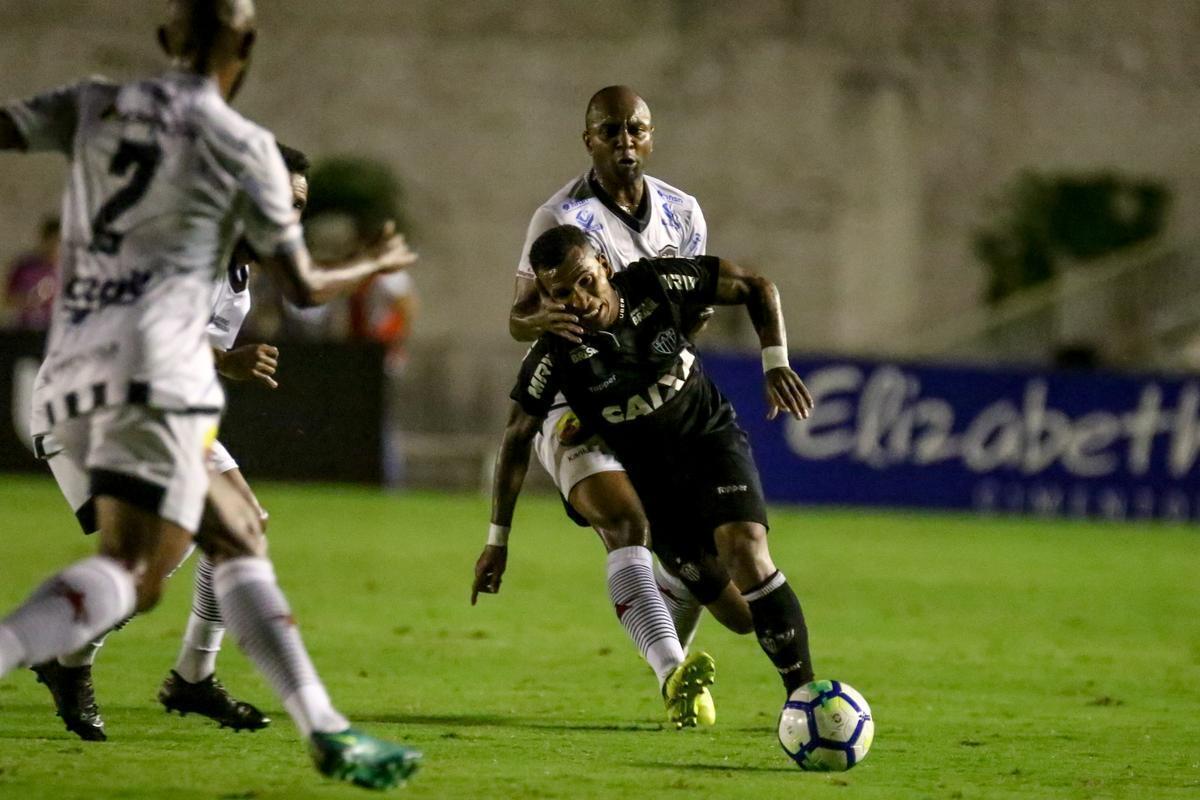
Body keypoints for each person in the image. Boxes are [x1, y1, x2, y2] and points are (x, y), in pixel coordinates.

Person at [0, 1, 419, 789]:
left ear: (166, 39)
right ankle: (75, 660)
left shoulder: (97, 102)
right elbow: (303, 288)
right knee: (139, 568)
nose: (285, 216)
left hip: (80, 368)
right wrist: (367, 266)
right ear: (247, 43)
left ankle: (240, 695)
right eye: (285, 206)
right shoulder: (237, 150)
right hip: (148, 383)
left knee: (236, 530)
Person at [28, 143, 314, 742]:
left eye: (297, 208)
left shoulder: (241, 264)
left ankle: (191, 675)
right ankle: (69, 657)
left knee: (243, 527)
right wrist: (225, 362)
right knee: (151, 559)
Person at [474, 224, 818, 713]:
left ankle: (805, 700)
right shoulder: (556, 355)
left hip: (709, 440)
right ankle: (675, 586)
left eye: (586, 281)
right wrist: (497, 541)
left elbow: (756, 286)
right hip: (657, 488)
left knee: (745, 547)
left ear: (605, 268)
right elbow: (515, 437)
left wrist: (776, 361)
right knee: (742, 617)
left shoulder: (657, 283)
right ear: (547, 300)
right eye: (562, 293)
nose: (580, 299)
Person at [503, 85, 747, 723]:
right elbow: (518, 317)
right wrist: (547, 324)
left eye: (633, 129)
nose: (623, 141)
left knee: (697, 555)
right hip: (574, 400)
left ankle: (670, 642)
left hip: (654, 402)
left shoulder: (683, 211)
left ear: (650, 133)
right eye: (609, 130)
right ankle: (673, 675)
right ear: (589, 139)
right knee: (627, 523)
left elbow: (693, 307)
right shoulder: (559, 219)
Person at [3, 215, 60, 330]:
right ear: (44, 240)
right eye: (53, 241)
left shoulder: (74, 269)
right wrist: (31, 298)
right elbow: (8, 299)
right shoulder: (25, 267)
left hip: (60, 332)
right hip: (29, 330)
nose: (56, 247)